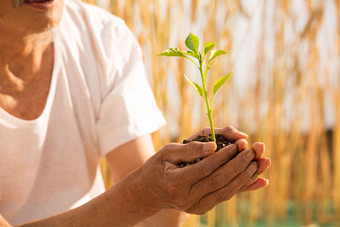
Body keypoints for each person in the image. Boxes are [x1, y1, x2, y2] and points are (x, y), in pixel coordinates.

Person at [0, 0, 271, 226]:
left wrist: (184, 177)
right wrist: (141, 195)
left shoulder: (103, 39)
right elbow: (141, 198)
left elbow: (153, 218)